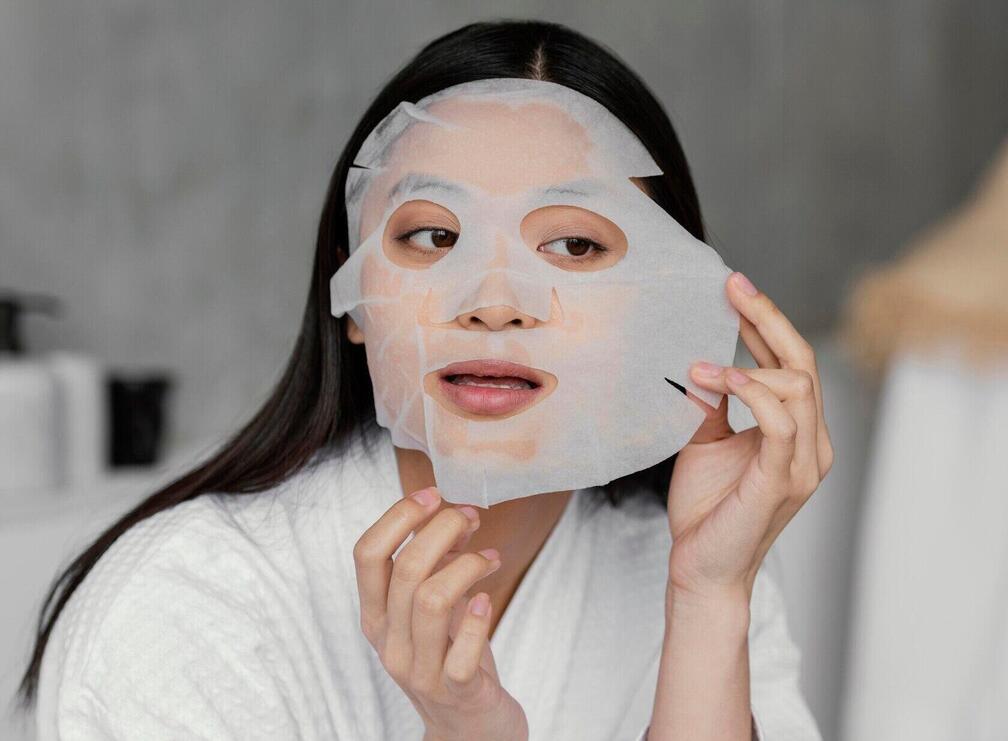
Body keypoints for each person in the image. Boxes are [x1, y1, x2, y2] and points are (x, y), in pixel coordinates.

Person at [19, 20, 833, 741]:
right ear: (354, 296)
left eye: (574, 246)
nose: (494, 303)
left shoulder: (692, 557)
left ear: (664, 302)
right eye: (435, 235)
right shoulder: (183, 610)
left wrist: (707, 596)